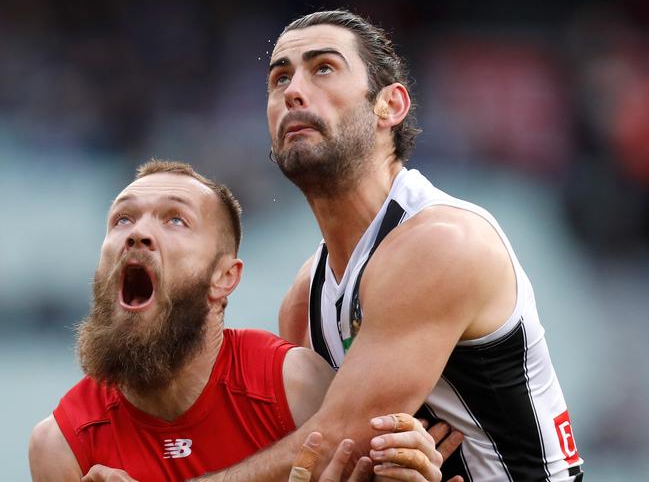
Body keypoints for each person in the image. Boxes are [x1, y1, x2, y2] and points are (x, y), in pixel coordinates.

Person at [191, 9, 584, 482]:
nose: (293, 91)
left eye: (323, 68)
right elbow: (315, 463)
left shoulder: (440, 242)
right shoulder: (302, 300)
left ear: (390, 106)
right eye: (279, 79)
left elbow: (335, 439)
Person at [28, 160, 460, 482]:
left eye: (175, 219)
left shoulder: (293, 388)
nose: (137, 234)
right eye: (122, 218)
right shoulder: (62, 444)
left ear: (225, 277)